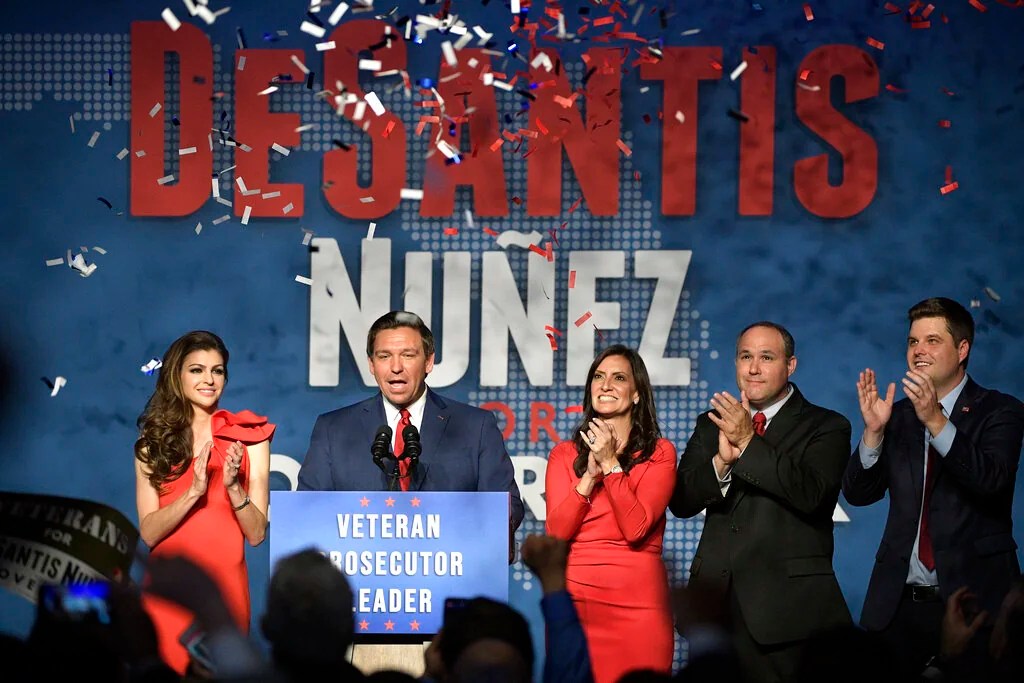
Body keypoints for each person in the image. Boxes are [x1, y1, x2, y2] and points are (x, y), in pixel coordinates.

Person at [842, 297, 1024, 679]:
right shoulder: (897, 415)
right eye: (913, 341)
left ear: (962, 349)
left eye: (932, 340)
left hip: (973, 605)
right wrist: (873, 433)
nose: (919, 351)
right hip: (896, 608)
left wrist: (935, 421)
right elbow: (859, 494)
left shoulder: (1000, 410)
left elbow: (990, 481)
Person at [670, 322, 851, 683]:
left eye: (766, 357)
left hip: (787, 612)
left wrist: (748, 442)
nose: (753, 368)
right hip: (716, 608)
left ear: (790, 365)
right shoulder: (710, 424)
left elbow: (811, 494)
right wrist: (720, 464)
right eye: (745, 357)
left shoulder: (827, 426)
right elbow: (682, 501)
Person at [298, 310, 524, 534]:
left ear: (428, 362)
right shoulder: (334, 429)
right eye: (384, 356)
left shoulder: (475, 427)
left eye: (407, 355)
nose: (396, 367)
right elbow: (308, 511)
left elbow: (507, 506)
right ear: (371, 364)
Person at [134, 330, 275, 674]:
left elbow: (257, 534)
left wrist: (233, 487)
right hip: (169, 593)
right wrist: (194, 492)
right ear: (177, 375)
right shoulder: (153, 443)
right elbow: (149, 532)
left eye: (218, 370)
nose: (209, 380)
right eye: (197, 370)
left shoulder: (250, 437)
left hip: (224, 595)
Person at [545, 344, 677, 683]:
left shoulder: (660, 453)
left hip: (639, 606)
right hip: (579, 602)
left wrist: (611, 464)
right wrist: (589, 478)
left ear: (637, 393)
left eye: (619, 378)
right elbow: (556, 534)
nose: (605, 385)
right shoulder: (563, 455)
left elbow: (636, 528)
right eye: (599, 377)